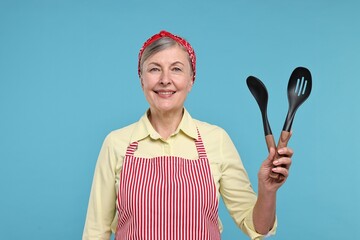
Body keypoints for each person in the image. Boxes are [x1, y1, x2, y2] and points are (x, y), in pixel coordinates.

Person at [82, 30, 293, 240]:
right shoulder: (116, 143)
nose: (165, 80)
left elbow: (258, 227)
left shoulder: (216, 139)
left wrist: (267, 191)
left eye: (176, 69)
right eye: (154, 69)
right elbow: (95, 231)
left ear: (191, 80)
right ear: (141, 79)